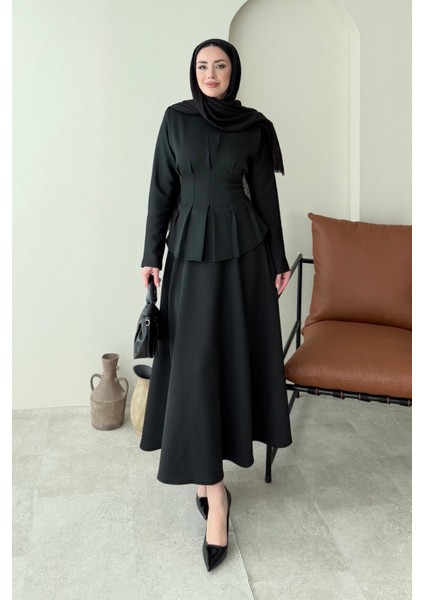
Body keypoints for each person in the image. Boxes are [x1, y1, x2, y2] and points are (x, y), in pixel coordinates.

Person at [139, 38, 292, 571]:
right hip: (187, 253)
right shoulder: (175, 120)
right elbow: (161, 190)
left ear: (234, 71)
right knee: (194, 367)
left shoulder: (253, 126)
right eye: (202, 66)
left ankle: (215, 491)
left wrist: (278, 259)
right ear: (193, 72)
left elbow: (265, 196)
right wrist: (150, 255)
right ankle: (214, 489)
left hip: (243, 255)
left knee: (229, 360)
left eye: (220, 65)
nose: (211, 73)